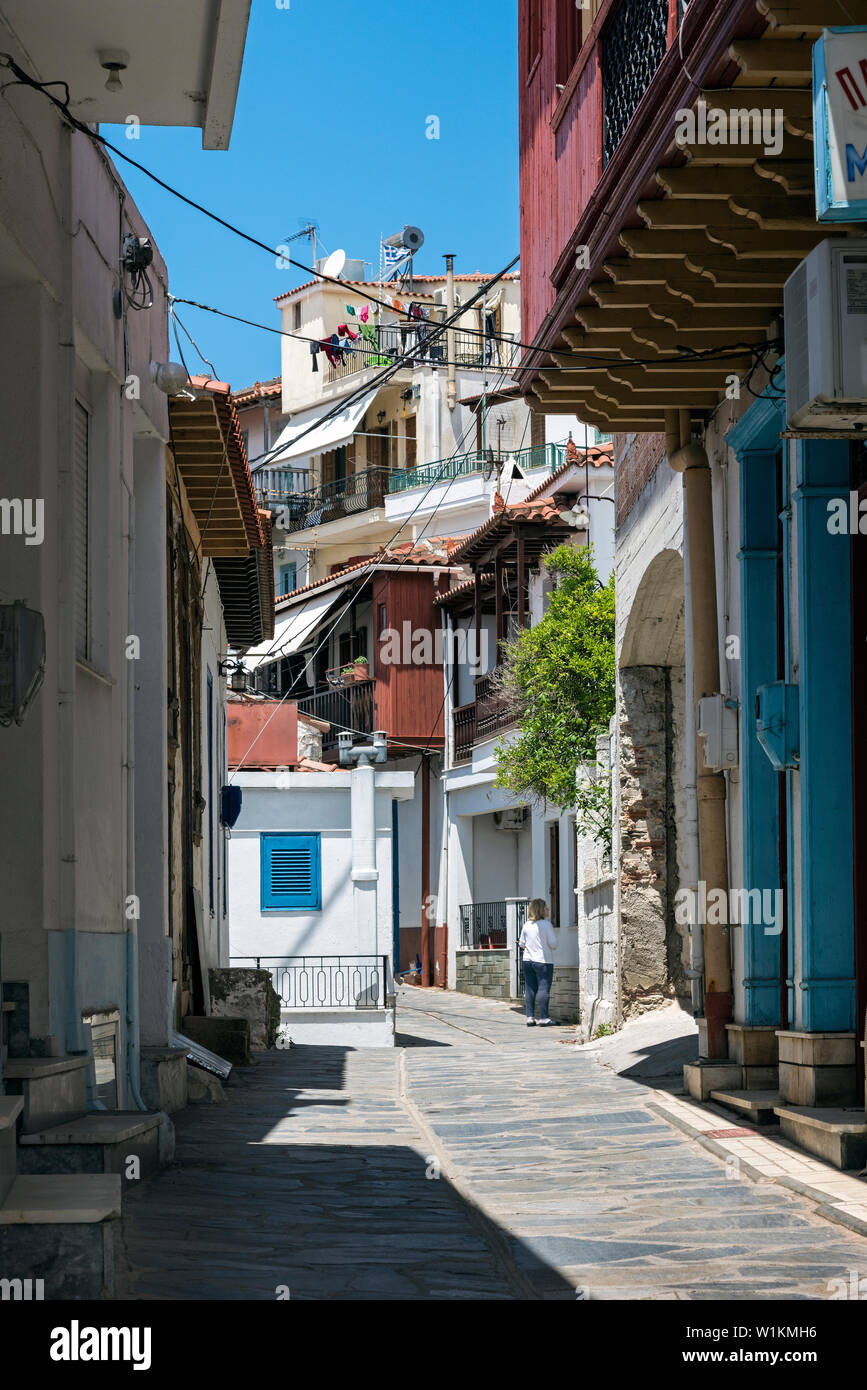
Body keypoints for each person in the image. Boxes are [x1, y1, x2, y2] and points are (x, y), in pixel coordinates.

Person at [519, 899, 558, 1026]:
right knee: (543, 989)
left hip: (527, 960)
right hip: (543, 961)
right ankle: (543, 1018)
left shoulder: (526, 925)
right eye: (546, 907)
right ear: (541, 909)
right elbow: (553, 944)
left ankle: (530, 1017)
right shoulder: (546, 925)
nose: (548, 909)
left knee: (530, 989)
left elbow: (521, 944)